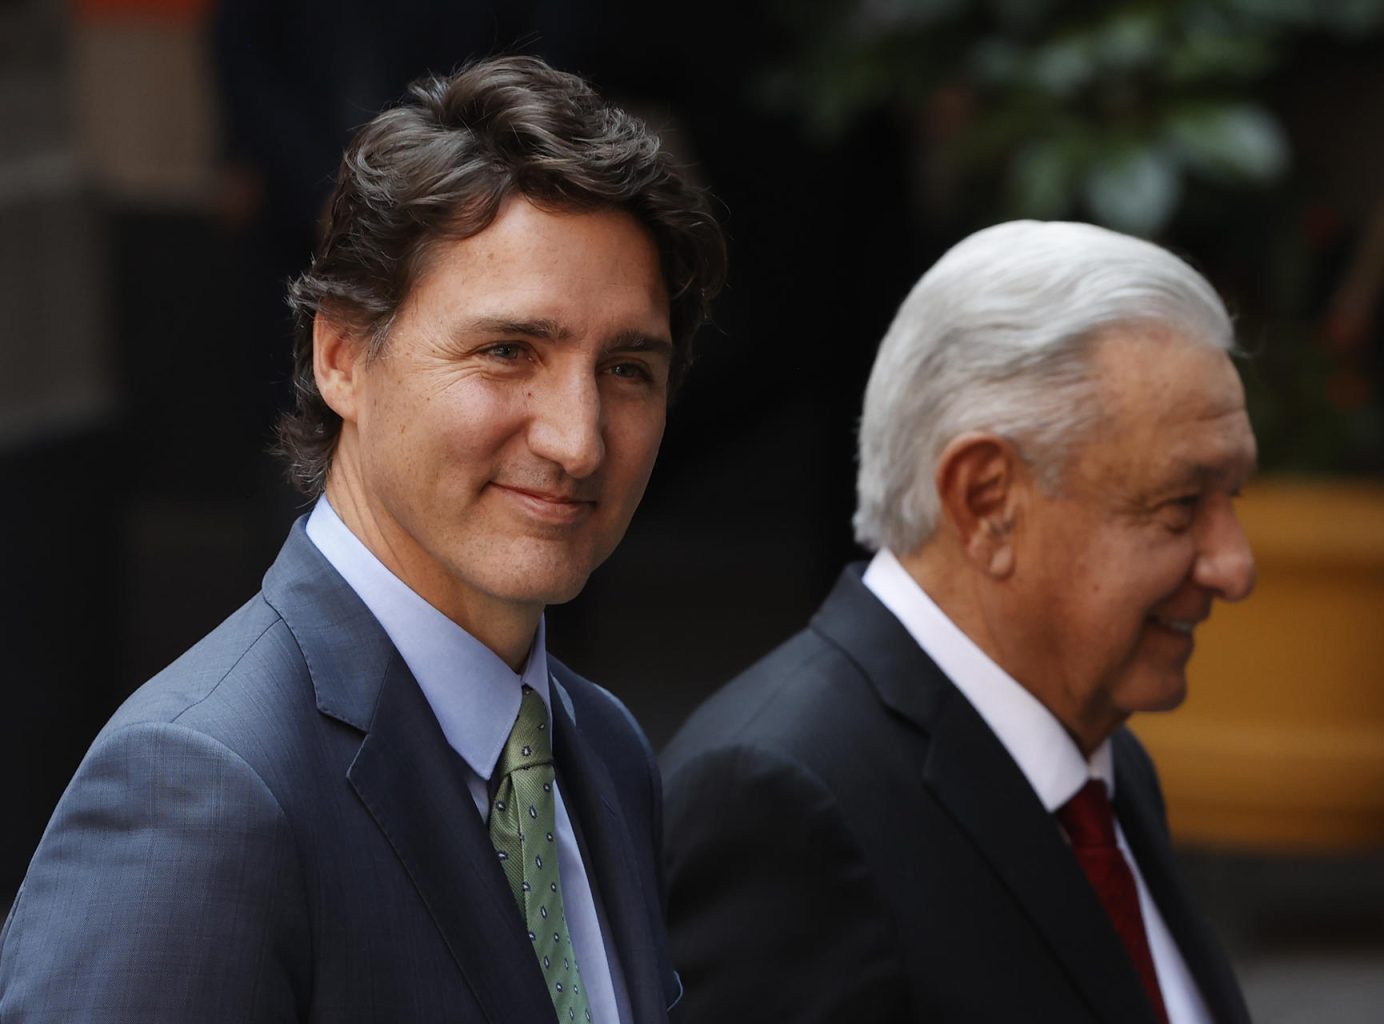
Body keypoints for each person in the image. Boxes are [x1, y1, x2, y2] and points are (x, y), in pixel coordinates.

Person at [0, 55, 724, 1024]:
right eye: (509, 351)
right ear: (340, 354)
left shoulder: (602, 749)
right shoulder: (202, 788)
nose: (578, 437)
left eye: (628, 368)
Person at [662, 220, 1256, 1023]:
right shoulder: (781, 799)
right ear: (986, 502)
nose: (1234, 565)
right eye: (1181, 505)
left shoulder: (1104, 771)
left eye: (1233, 500)